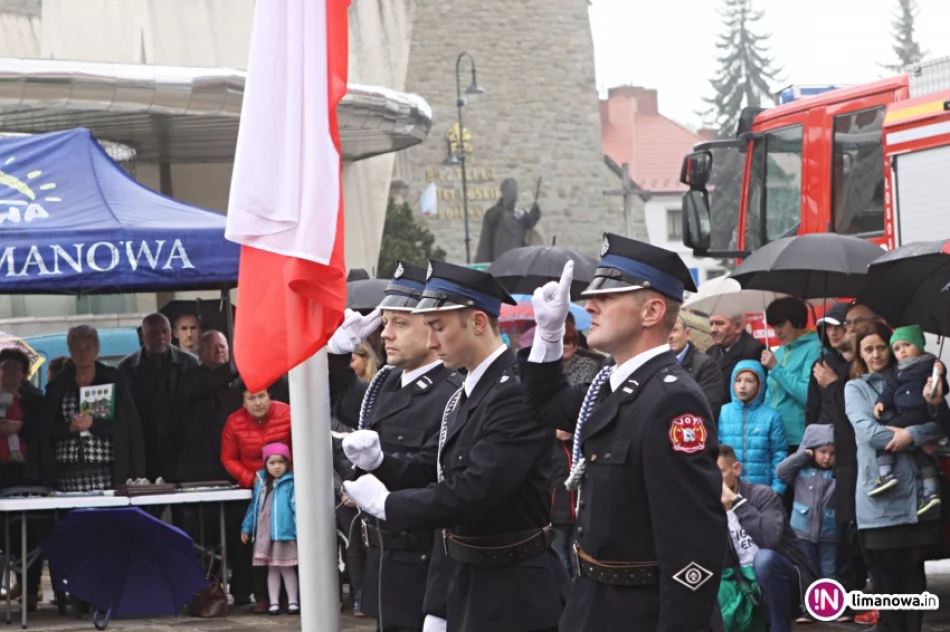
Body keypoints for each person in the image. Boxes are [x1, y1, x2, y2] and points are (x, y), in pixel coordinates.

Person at [341, 260, 565, 632]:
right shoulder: (469, 391)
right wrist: (380, 462)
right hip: (470, 579)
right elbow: (435, 466)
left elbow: (476, 489)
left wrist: (388, 505)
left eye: (438, 327)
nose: (431, 342)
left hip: (514, 592)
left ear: (477, 322)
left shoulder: (515, 392)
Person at [518, 234, 726, 632]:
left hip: (641, 612)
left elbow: (692, 542)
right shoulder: (611, 384)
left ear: (651, 311)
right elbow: (547, 405)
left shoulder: (671, 401)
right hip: (594, 602)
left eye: (609, 297)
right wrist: (546, 336)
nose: (589, 305)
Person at [326, 260, 463, 632]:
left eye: (400, 323)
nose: (386, 334)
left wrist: (382, 461)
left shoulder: (451, 392)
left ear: (434, 328)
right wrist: (338, 354)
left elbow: (447, 492)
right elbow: (329, 400)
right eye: (384, 323)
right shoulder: (387, 382)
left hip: (423, 561)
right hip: (384, 556)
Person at [845, 321, 946, 632]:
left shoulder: (914, 376)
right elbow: (870, 433)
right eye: (868, 349)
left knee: (914, 578)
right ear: (860, 354)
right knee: (887, 582)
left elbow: (940, 426)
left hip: (917, 496)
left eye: (881, 347)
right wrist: (914, 437)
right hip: (881, 500)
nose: (877, 354)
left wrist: (913, 430)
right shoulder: (856, 387)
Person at [718, 444, 818, 632]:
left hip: (784, 581)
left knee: (764, 560)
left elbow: (769, 539)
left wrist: (737, 504)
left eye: (720, 472)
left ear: (736, 469)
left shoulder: (763, 495)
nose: (715, 481)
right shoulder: (710, 506)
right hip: (743, 582)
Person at [35, 325, 145, 490]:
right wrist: (70, 427)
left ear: (97, 349)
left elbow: (126, 426)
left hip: (107, 470)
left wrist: (94, 424)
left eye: (88, 347)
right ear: (70, 350)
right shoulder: (59, 385)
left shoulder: (113, 380)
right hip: (67, 472)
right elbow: (46, 429)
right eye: (77, 348)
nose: (83, 352)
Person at [871, 324, 943, 514]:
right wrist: (881, 402)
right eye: (896, 348)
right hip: (904, 411)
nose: (902, 352)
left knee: (885, 431)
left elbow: (941, 385)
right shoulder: (898, 371)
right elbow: (890, 389)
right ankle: (930, 491)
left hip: (918, 410)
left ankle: (885, 471)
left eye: (907, 345)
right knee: (922, 453)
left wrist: (937, 377)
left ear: (918, 344)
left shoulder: (929, 363)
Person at [119, 313, 198, 482]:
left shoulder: (190, 363)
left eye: (165, 331)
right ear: (143, 335)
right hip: (144, 453)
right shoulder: (126, 368)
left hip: (181, 451)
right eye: (154, 332)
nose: (161, 337)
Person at [241, 442, 298, 615]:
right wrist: (247, 527)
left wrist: (298, 530)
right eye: (272, 463)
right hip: (266, 533)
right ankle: (273, 602)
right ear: (265, 464)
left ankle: (293, 601)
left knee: (287, 567)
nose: (276, 466)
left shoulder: (292, 483)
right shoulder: (261, 484)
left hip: (284, 532)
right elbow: (254, 508)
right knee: (271, 568)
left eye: (280, 462)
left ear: (287, 463)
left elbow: (297, 508)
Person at [776, 425, 837, 586]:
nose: (827, 457)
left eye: (832, 453)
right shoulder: (801, 473)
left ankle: (830, 608)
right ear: (813, 451)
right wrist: (804, 454)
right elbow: (781, 471)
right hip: (801, 532)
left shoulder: (836, 475)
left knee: (829, 572)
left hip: (829, 533)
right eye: (822, 452)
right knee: (806, 572)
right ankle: (809, 608)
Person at [761, 297, 822, 453]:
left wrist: (776, 369)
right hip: (774, 435)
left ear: (798, 322)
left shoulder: (815, 349)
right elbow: (770, 395)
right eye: (774, 327)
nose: (777, 332)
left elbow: (808, 394)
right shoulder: (779, 352)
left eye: (781, 325)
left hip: (799, 438)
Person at [717, 360, 787, 493]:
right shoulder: (722, 413)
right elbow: (714, 453)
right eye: (738, 380)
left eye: (749, 381)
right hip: (729, 490)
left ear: (760, 385)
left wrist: (776, 490)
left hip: (762, 491)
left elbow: (779, 456)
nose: (742, 386)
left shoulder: (771, 416)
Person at [706, 313, 767, 408]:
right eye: (711, 324)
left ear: (738, 327)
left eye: (719, 323)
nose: (712, 330)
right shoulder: (711, 352)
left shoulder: (754, 351)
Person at [669, 315, 724, 416]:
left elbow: (709, 405)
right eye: (666, 331)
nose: (670, 336)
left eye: (674, 330)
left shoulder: (706, 365)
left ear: (687, 333)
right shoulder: (658, 364)